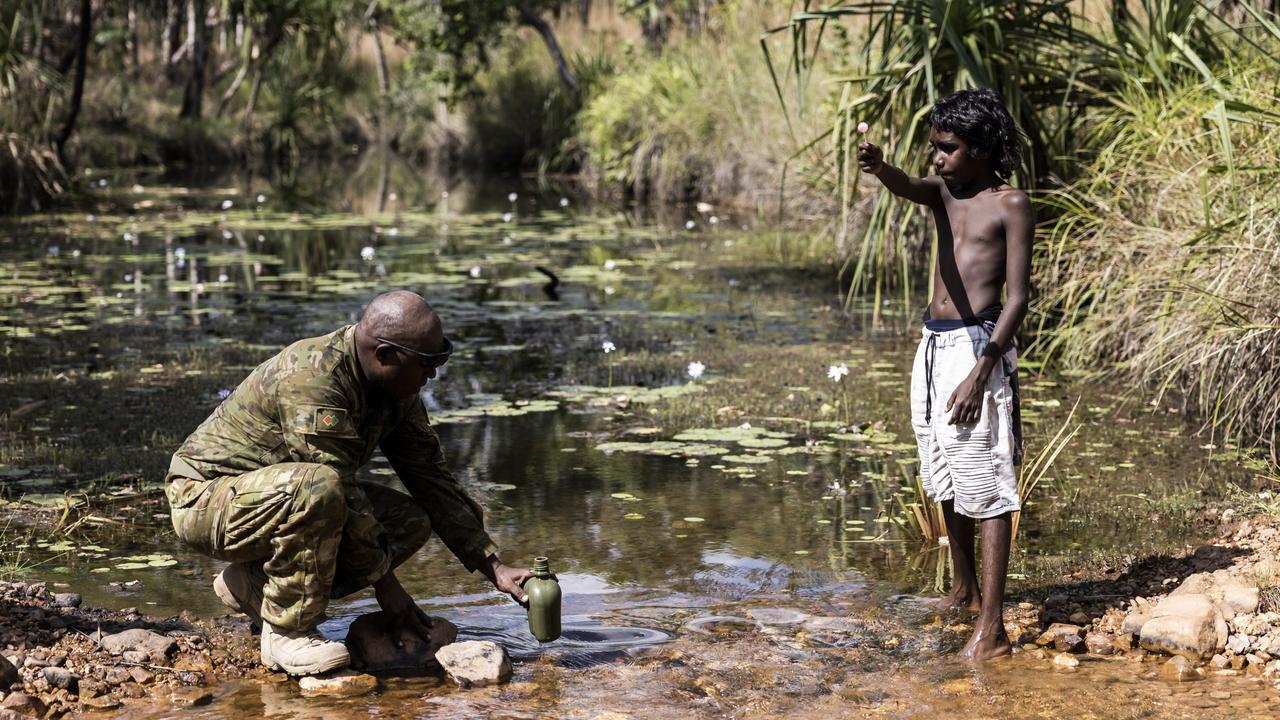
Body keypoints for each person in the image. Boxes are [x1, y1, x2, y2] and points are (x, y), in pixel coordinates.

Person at [164, 290, 533, 675]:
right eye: (427, 362)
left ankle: (254, 583)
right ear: (385, 355)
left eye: (440, 358)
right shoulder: (313, 380)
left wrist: (493, 566)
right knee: (320, 487)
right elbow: (336, 487)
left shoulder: (397, 389)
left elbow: (431, 479)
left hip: (277, 497)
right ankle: (287, 632)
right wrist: (385, 585)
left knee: (409, 520)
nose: (434, 373)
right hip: (206, 500)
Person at [857, 88, 1033, 660]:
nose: (937, 158)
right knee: (945, 472)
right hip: (932, 348)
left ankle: (993, 627)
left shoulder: (1010, 204)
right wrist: (880, 166)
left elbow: (1017, 299)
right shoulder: (942, 195)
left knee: (986, 480)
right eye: (934, 148)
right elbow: (908, 185)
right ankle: (962, 590)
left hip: (977, 348)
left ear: (980, 149)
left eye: (949, 148)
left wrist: (983, 370)